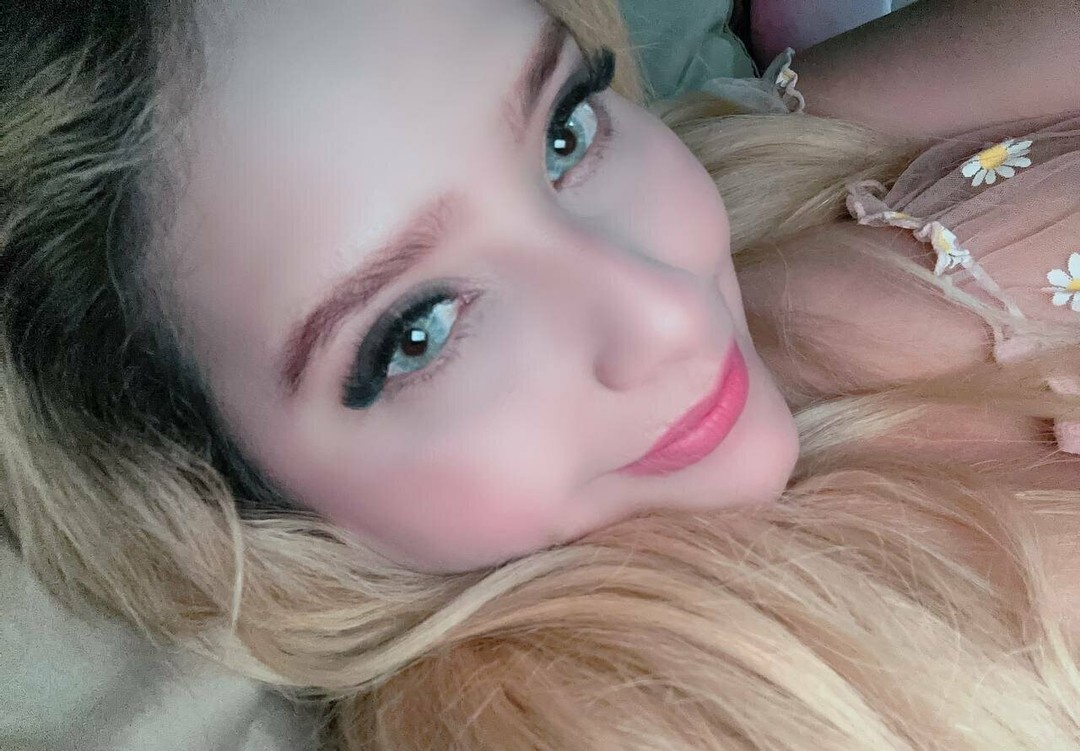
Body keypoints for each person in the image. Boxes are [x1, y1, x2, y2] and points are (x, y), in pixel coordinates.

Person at [1, 0, 1078, 748]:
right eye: (415, 332)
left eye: (564, 131)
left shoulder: (756, 148)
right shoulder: (627, 717)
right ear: (226, 494)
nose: (665, 312)